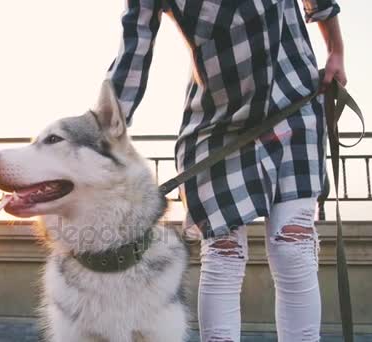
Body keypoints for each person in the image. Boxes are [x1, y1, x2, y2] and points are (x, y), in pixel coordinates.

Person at [106, 0, 346, 340]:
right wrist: (100, 137)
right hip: (216, 125)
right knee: (223, 255)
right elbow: (134, 52)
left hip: (293, 102)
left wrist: (336, 51)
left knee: (294, 250)